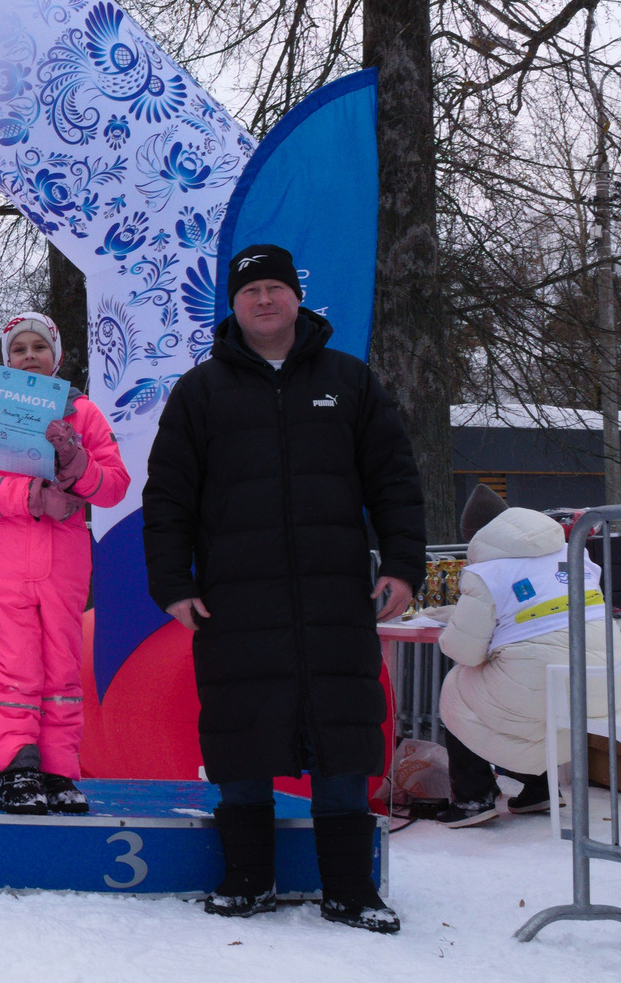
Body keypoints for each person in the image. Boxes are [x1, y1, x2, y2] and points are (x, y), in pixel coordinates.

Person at [143, 244, 425, 933]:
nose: (264, 300)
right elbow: (168, 499)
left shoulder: (349, 382)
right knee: (242, 734)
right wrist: (172, 585)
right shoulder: (200, 392)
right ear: (233, 305)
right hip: (235, 600)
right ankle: (247, 878)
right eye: (250, 291)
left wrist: (403, 566)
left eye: (275, 288)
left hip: (335, 596)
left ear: (297, 298)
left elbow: (395, 482)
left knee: (343, 734)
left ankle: (351, 889)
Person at [0, 312, 130, 813]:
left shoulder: (84, 414)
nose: (29, 356)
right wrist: (30, 496)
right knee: (14, 666)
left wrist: (74, 461)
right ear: (7, 359)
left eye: (39, 347)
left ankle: (57, 771)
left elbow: (114, 485)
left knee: (62, 667)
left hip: (63, 563)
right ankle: (16, 768)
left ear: (58, 356)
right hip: (4, 562)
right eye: (19, 349)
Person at [436, 485, 618, 825]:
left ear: (477, 538)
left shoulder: (486, 573)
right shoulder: (573, 551)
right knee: (526, 688)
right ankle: (541, 789)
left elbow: (464, 651)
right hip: (605, 683)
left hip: (545, 683)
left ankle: (473, 799)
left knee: (458, 686)